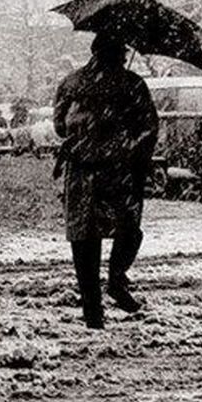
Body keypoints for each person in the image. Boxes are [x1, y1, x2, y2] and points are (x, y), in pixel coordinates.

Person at [54, 35, 158, 325]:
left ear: (94, 52)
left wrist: (86, 132)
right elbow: (149, 128)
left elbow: (60, 128)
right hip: (119, 171)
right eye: (123, 52)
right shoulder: (133, 84)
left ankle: (93, 312)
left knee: (84, 240)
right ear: (120, 54)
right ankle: (116, 277)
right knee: (128, 230)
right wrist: (130, 150)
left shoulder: (71, 83)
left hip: (81, 173)